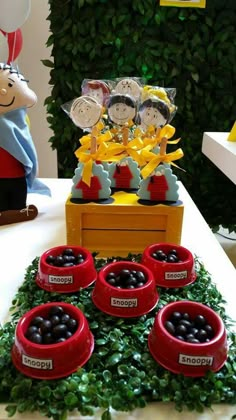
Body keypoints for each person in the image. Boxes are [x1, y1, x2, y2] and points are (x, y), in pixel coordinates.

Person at [0, 63, 50, 225]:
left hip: (17, 176)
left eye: (10, 85)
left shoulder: (20, 122)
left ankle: (18, 209)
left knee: (17, 200)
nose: (3, 91)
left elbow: (25, 145)